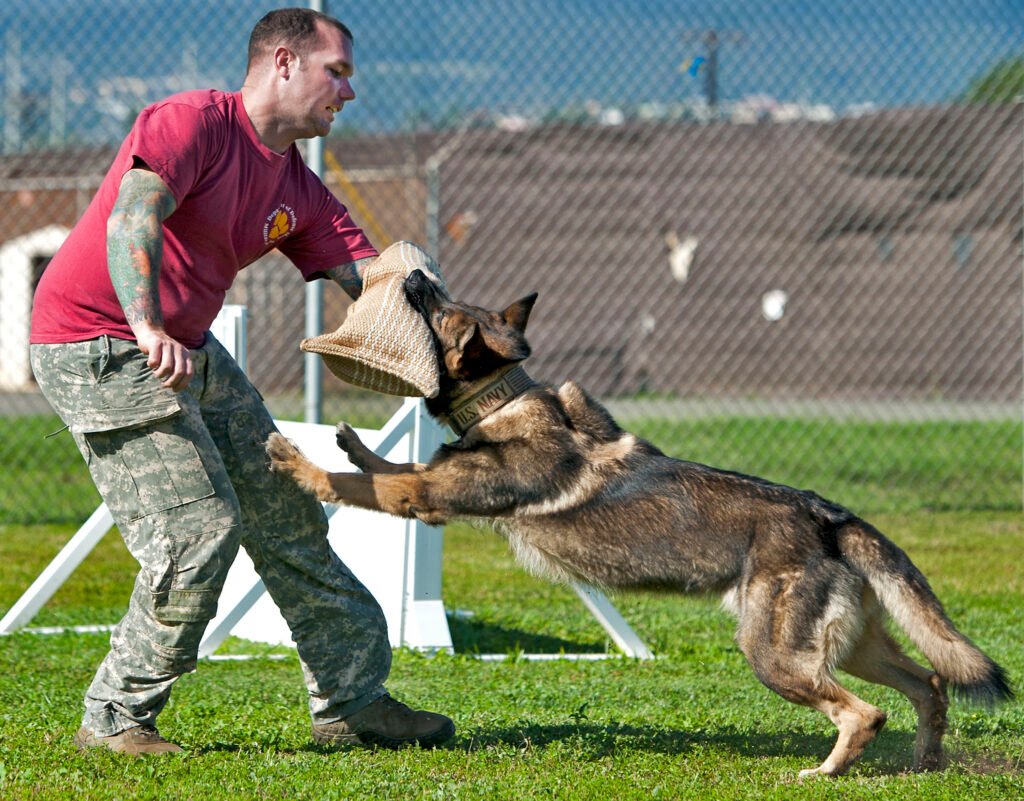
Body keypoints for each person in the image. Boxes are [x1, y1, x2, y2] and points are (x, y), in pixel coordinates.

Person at [29, 7, 454, 756]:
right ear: (285, 63)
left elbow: (375, 283)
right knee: (198, 529)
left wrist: (447, 324)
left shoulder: (298, 187)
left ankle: (352, 701)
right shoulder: (192, 122)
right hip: (97, 337)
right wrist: (149, 325)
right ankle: (115, 717)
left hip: (182, 343)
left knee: (289, 506)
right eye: (339, 72)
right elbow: (133, 218)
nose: (348, 93)